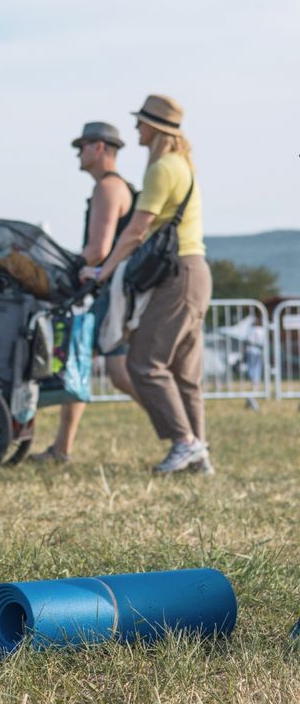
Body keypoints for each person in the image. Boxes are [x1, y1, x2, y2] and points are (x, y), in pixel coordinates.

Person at [83, 95, 213, 474]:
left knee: (145, 362)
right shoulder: (182, 165)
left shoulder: (162, 169)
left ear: (154, 129)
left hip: (178, 275)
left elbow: (137, 230)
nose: (136, 129)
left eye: (140, 123)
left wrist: (103, 271)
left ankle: (185, 443)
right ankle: (198, 453)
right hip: (195, 271)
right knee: (184, 373)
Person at [32, 122, 140, 463]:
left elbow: (97, 249)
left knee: (119, 373)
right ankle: (62, 448)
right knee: (82, 364)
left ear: (99, 148)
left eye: (82, 146)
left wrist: (66, 267)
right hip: (116, 290)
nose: (78, 153)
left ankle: (183, 436)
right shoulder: (116, 187)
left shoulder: (108, 188)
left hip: (111, 292)